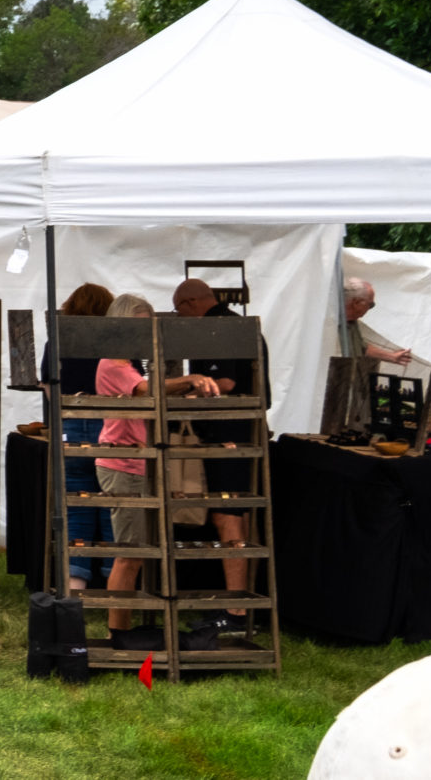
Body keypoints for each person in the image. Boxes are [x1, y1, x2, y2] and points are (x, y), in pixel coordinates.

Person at [94, 293, 214, 646]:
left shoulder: (128, 364)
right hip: (124, 464)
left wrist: (183, 392)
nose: (144, 336)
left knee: (140, 552)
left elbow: (148, 393)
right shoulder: (112, 364)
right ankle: (118, 632)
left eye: (149, 329)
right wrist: (187, 380)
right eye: (139, 328)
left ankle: (127, 629)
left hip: (138, 463)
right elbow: (145, 390)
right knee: (129, 553)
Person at [172, 277, 262, 647]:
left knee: (230, 517)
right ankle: (232, 603)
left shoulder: (220, 328)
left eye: (180, 312)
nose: (182, 319)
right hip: (231, 432)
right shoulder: (233, 323)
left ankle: (236, 610)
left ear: (193, 303)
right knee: (227, 516)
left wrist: (185, 387)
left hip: (232, 434)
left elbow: (224, 381)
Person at [45, 282, 115, 591]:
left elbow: (48, 385)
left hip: (70, 426)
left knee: (78, 507)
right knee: (115, 505)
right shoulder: (116, 338)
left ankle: (75, 585)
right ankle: (118, 586)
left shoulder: (59, 338)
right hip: (109, 426)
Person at [341, 277, 413, 364]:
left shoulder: (352, 322)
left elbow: (362, 347)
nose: (370, 308)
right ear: (356, 303)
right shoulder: (330, 324)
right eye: (371, 304)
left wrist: (392, 357)